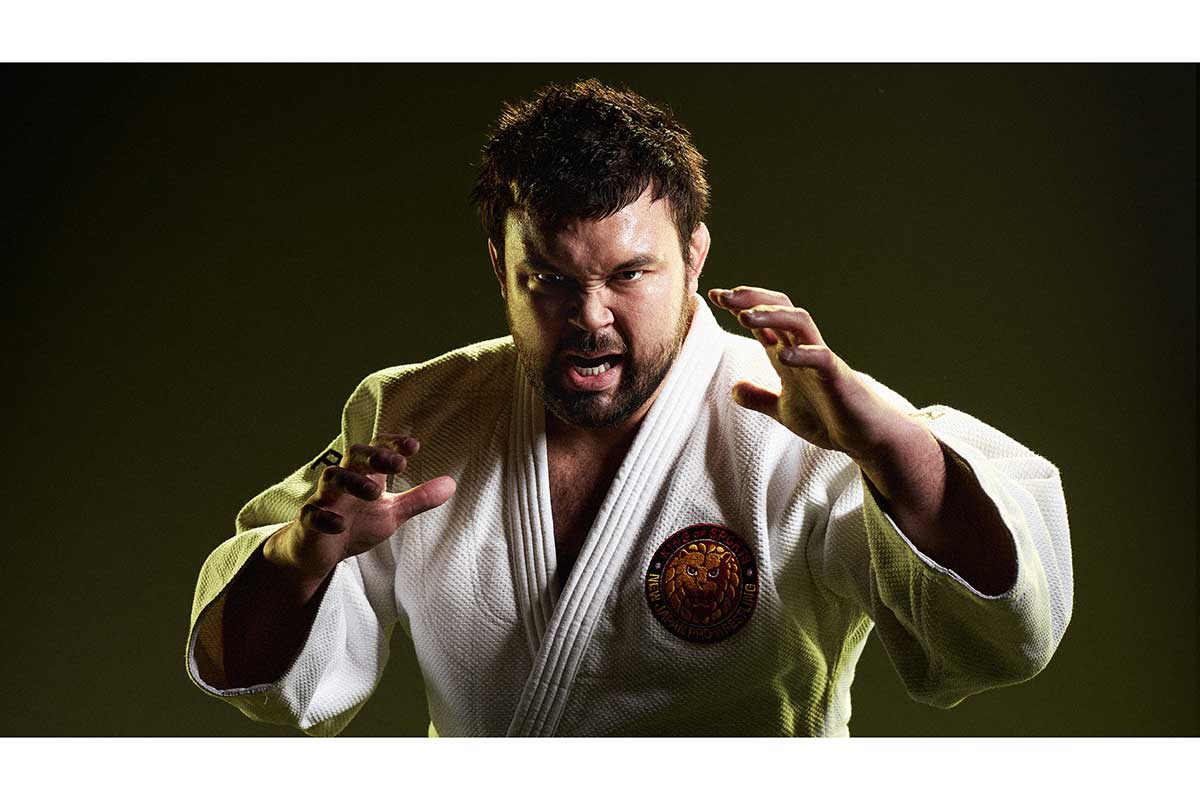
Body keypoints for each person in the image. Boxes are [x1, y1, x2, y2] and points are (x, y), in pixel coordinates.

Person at [185, 78, 1074, 737]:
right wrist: (299, 560)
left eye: (629, 274)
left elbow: (1001, 643)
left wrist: (892, 453)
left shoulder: (807, 424)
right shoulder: (415, 412)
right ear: (500, 268)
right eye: (549, 280)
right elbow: (264, 683)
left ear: (694, 257)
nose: (590, 317)